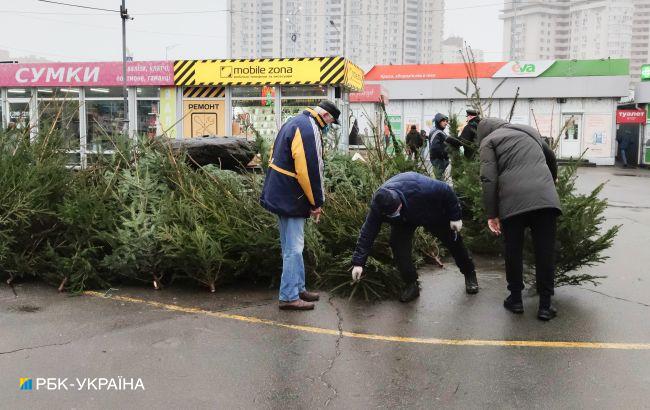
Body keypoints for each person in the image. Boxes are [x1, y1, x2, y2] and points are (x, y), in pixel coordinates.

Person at [478, 118, 562, 321]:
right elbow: (550, 156)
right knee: (545, 252)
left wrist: (492, 214)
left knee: (513, 251)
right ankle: (545, 306)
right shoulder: (528, 130)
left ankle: (515, 300)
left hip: (512, 203)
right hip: (545, 200)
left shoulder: (488, 141)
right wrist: (550, 180)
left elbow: (488, 178)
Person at [260, 100, 341, 311]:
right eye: (332, 121)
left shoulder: (295, 121)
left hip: (280, 193)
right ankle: (289, 296)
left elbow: (272, 154)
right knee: (294, 248)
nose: (331, 126)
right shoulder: (309, 128)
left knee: (291, 246)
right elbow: (310, 170)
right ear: (326, 116)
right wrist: (317, 202)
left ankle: (298, 288)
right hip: (291, 196)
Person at [350, 172, 479, 303]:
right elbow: (368, 232)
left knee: (453, 241)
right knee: (398, 247)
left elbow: (446, 190)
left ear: (399, 201)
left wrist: (455, 217)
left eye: (397, 210)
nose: (396, 214)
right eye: (393, 214)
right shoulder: (378, 206)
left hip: (429, 212)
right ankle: (411, 284)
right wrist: (358, 263)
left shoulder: (421, 187)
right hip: (404, 222)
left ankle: (469, 272)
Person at [428, 113, 450, 179]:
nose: (446, 123)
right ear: (438, 121)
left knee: (440, 179)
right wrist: (444, 156)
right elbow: (435, 148)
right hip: (438, 161)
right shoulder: (437, 132)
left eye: (446, 121)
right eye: (443, 121)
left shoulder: (440, 131)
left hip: (441, 160)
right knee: (439, 180)